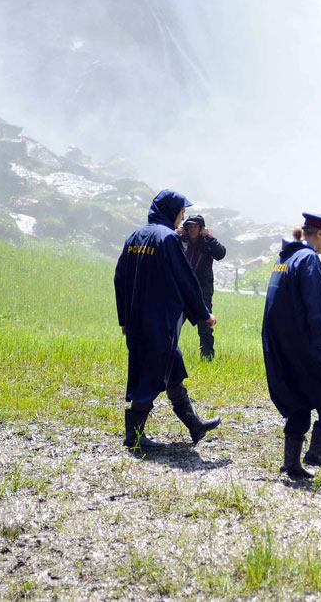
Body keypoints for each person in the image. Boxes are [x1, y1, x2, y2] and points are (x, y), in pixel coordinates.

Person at [114, 189, 221, 451]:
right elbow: (185, 278)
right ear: (171, 212)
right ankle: (134, 437)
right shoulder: (168, 239)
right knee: (150, 372)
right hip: (159, 319)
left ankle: (194, 424)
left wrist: (124, 319)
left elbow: (120, 278)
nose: (181, 219)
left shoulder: (135, 236)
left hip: (138, 319)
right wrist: (203, 313)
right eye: (181, 213)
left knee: (173, 363)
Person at [262, 213, 321, 480]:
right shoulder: (309, 259)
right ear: (320, 234)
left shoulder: (285, 257)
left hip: (281, 343)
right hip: (306, 341)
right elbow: (317, 302)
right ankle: (316, 452)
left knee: (297, 399)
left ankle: (291, 463)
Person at [179, 214, 227, 360]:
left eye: (195, 226)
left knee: (205, 327)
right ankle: (167, 353)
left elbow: (221, 253)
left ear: (201, 228)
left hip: (202, 292)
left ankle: (207, 357)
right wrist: (175, 233)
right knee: (174, 323)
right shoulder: (181, 241)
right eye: (189, 226)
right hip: (183, 291)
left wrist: (208, 235)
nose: (192, 229)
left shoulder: (207, 243)